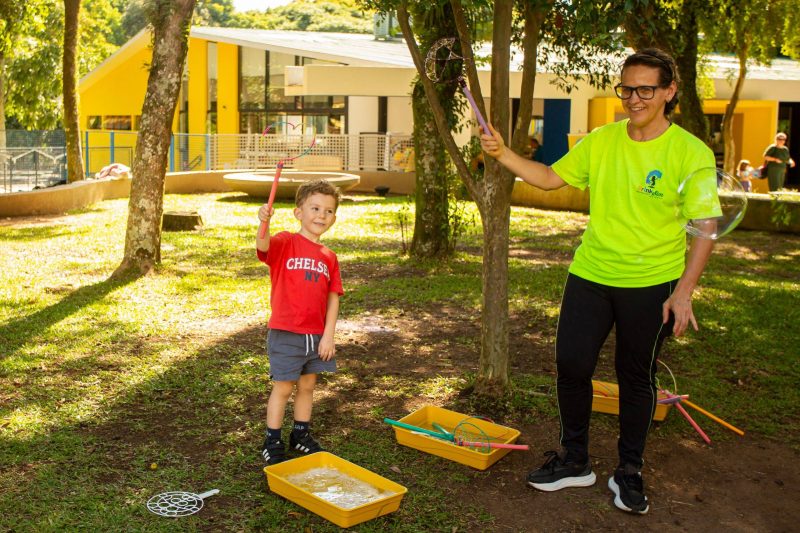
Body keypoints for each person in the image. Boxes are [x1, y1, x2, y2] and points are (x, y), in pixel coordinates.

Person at [480, 48, 717, 515]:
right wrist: (503, 153)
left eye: (646, 89)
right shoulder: (603, 139)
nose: (634, 98)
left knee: (635, 376)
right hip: (591, 273)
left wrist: (684, 291)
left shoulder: (692, 152)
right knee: (571, 364)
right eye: (627, 88)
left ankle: (629, 470)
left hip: (652, 281)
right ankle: (575, 460)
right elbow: (550, 178)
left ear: (669, 91)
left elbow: (705, 225)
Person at [256, 179, 344, 465]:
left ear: (334, 218)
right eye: (315, 208)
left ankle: (300, 435)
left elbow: (333, 298)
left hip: (316, 335)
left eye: (328, 211)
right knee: (284, 387)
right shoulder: (286, 242)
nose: (321, 215)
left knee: (307, 386)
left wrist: (328, 335)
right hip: (286, 333)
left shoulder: (329, 257)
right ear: (298, 212)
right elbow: (262, 245)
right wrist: (264, 222)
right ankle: (272, 440)